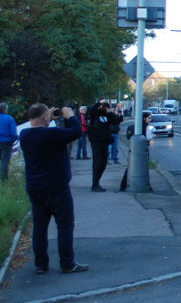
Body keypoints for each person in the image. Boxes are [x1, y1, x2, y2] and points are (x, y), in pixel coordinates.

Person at [18, 103, 88, 274]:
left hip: (35, 188)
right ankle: (67, 263)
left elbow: (39, 130)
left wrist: (47, 117)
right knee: (65, 226)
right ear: (44, 117)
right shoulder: (52, 134)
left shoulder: (24, 135)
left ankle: (41, 265)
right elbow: (77, 132)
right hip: (57, 188)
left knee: (40, 228)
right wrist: (70, 116)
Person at [87, 99, 122, 192]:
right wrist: (99, 103)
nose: (103, 106)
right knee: (97, 163)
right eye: (102, 105)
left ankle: (97, 182)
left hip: (105, 141)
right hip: (96, 141)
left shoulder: (106, 114)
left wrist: (110, 111)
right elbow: (92, 110)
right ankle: (95, 184)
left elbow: (114, 122)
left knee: (103, 163)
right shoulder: (95, 114)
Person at [0, 102, 18, 181]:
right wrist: (14, 140)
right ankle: (4, 179)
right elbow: (13, 133)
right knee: (4, 161)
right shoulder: (9, 118)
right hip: (6, 143)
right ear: (5, 109)